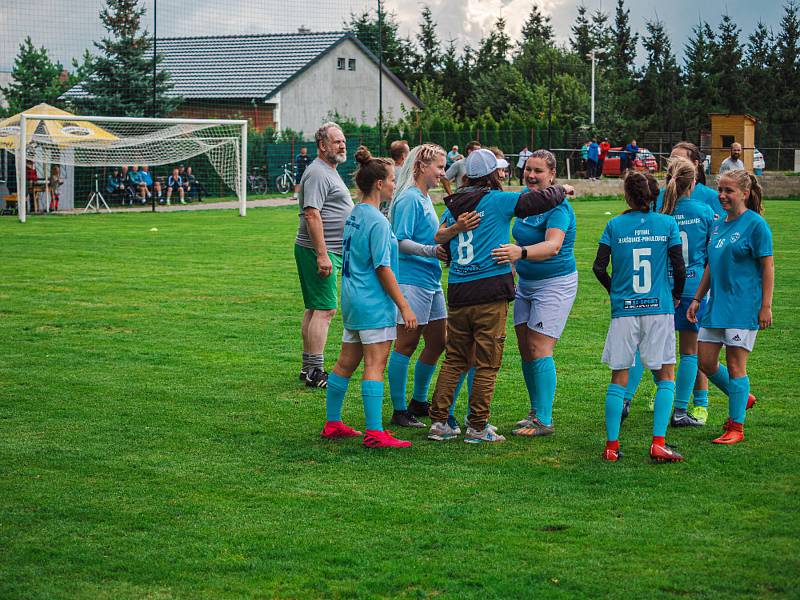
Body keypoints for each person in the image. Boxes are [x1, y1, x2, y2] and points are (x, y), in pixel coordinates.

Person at [426, 149, 573, 443]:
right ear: (492, 175)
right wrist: (562, 189)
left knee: (455, 359)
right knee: (487, 362)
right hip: (488, 291)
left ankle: (440, 423)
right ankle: (477, 427)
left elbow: (439, 236)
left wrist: (455, 230)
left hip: (457, 289)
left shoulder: (453, 204)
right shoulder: (498, 201)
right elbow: (540, 200)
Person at [319, 146, 417, 449]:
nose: (393, 184)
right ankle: (375, 433)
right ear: (378, 184)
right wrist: (404, 305)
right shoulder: (377, 220)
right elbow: (382, 267)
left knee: (346, 362)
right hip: (373, 303)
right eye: (391, 179)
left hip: (352, 300)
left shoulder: (355, 215)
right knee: (375, 364)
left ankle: (333, 422)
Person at [592, 170, 686, 463]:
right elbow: (678, 266)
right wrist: (676, 294)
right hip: (659, 308)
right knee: (666, 375)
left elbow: (598, 267)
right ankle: (658, 443)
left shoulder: (614, 224)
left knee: (618, 377)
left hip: (625, 310)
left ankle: (611, 447)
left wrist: (614, 291)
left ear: (627, 196)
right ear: (653, 196)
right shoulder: (667, 223)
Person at [490, 150, 578, 438]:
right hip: (526, 284)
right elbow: (520, 238)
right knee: (526, 347)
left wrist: (521, 252)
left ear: (552, 175)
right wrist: (513, 267)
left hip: (555, 284)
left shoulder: (559, 208)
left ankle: (545, 419)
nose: (530, 175)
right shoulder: (527, 204)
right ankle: (535, 411)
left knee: (540, 347)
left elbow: (553, 246)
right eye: (528, 169)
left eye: (538, 171)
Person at [687, 169, 773, 445]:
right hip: (715, 306)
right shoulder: (718, 224)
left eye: (729, 191)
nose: (722, 195)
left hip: (743, 306)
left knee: (737, 366)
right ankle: (742, 397)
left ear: (745, 193)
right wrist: (698, 298)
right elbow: (712, 265)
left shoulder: (756, 225)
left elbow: (767, 266)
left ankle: (736, 427)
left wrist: (765, 306)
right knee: (706, 362)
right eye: (720, 190)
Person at [386, 144, 453, 429]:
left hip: (430, 279)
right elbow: (399, 241)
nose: (443, 172)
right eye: (439, 166)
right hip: (412, 279)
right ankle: (400, 410)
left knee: (439, 341)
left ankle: (419, 400)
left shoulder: (424, 197)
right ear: (421, 166)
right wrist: (432, 250)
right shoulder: (409, 199)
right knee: (407, 342)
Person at [294, 122, 353, 389]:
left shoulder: (327, 170)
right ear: (322, 145)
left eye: (343, 141)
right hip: (320, 249)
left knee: (315, 308)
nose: (342, 145)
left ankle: (308, 368)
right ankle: (316, 371)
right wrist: (322, 254)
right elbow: (312, 213)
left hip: (325, 249)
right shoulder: (318, 172)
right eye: (336, 141)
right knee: (326, 309)